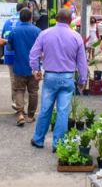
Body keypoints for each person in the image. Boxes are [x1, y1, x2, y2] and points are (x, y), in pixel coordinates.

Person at [29, 9, 89, 150]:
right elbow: (82, 62)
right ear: (70, 21)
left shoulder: (45, 33)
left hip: (50, 76)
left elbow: (33, 54)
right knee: (63, 111)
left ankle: (38, 139)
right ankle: (58, 143)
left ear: (56, 18)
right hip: (67, 77)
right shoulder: (76, 36)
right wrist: (82, 80)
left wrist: (36, 70)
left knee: (45, 109)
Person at [8, 8, 42, 126]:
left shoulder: (14, 31)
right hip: (34, 68)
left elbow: (9, 48)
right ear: (31, 17)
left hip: (18, 66)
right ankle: (31, 115)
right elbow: (42, 49)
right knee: (33, 92)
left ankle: (20, 114)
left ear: (19, 18)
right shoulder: (37, 31)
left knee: (19, 90)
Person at [1, 2, 26, 110]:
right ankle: (22, 104)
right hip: (21, 54)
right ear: (24, 9)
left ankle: (15, 101)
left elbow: (3, 37)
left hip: (9, 53)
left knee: (13, 79)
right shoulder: (24, 22)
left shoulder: (7, 21)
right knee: (24, 79)